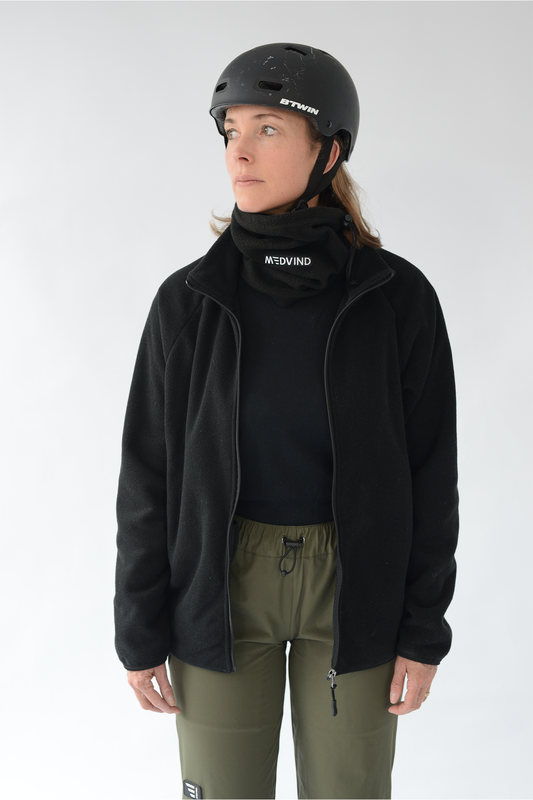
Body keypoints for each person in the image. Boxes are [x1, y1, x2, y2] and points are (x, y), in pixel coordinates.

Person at [114, 42, 459, 800]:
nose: (238, 152)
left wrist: (422, 628)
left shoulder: (397, 300)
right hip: (217, 586)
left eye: (267, 128)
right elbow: (148, 475)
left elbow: (432, 473)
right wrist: (138, 627)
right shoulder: (188, 303)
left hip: (358, 583)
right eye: (231, 130)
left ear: (327, 151)